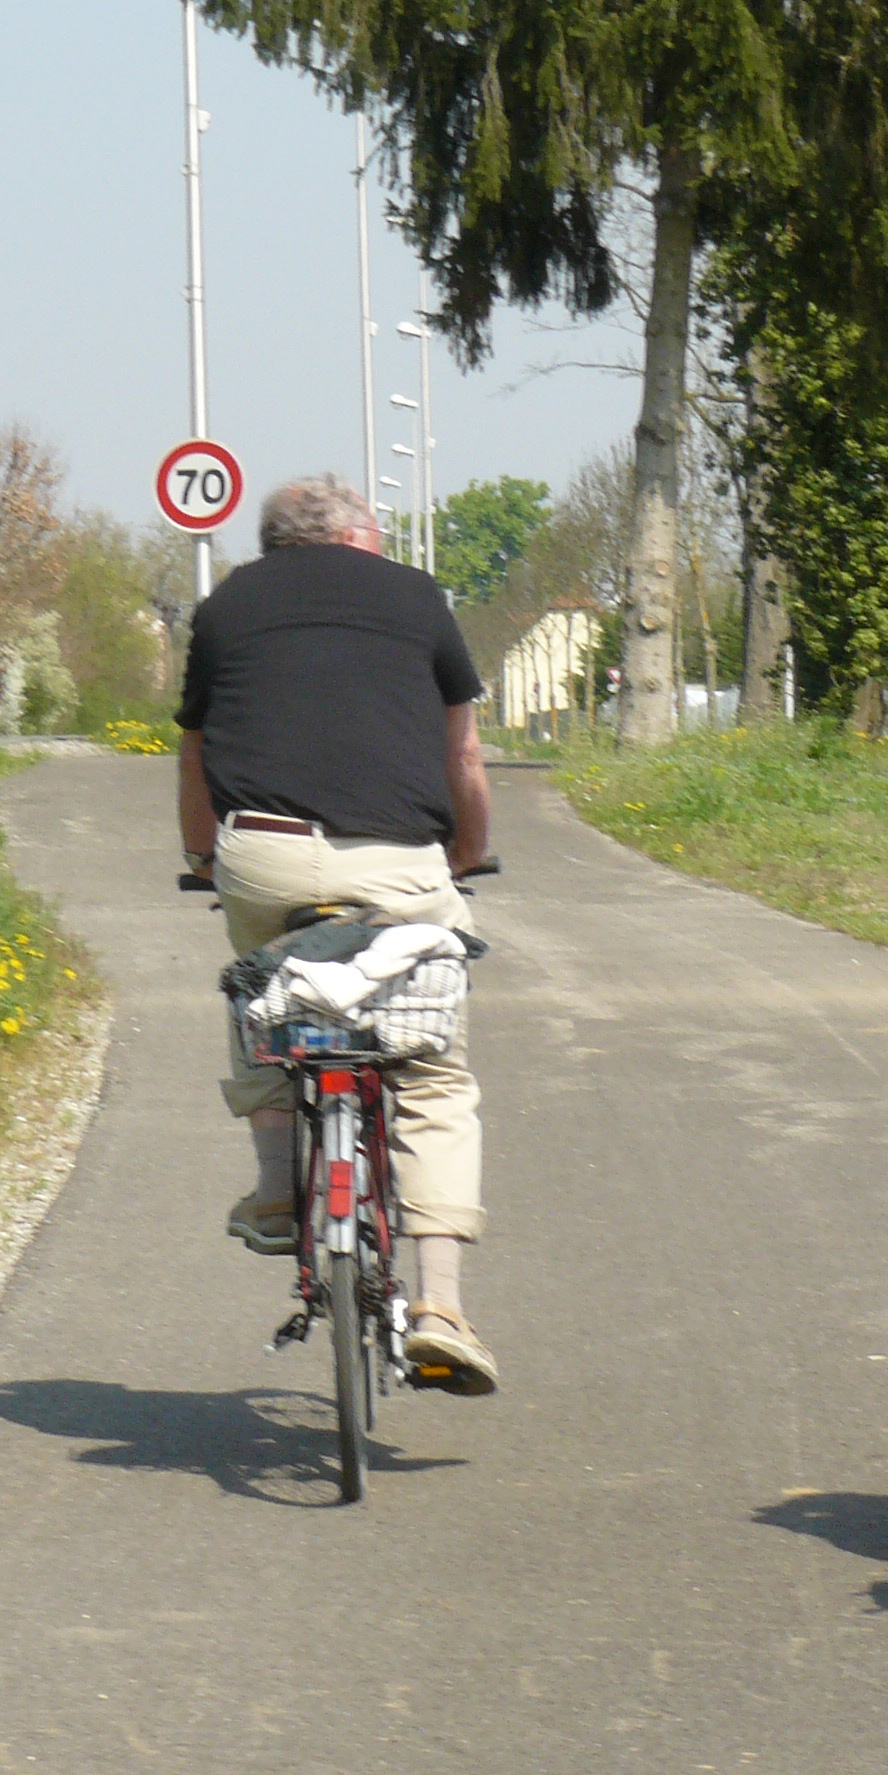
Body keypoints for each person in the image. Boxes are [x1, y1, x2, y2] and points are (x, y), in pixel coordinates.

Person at [175, 474, 499, 1395]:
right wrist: (466, 856)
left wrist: (203, 855)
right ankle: (440, 1307)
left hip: (265, 855)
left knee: (260, 992)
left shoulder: (226, 606)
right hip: (398, 861)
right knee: (432, 1068)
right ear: (365, 537)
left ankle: (280, 1189)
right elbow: (462, 753)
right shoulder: (416, 596)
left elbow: (197, 752)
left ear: (274, 546)